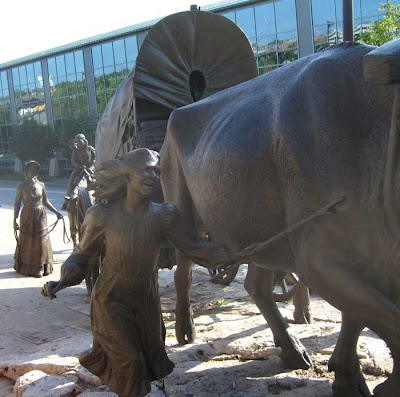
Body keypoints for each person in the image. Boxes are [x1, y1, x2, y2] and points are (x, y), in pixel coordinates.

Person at [42, 148, 242, 397]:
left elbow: (197, 248)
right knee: (132, 362)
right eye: (146, 169)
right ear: (127, 176)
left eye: (156, 172)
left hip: (146, 301)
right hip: (111, 298)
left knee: (144, 367)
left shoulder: (165, 215)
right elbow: (82, 256)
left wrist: (235, 255)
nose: (153, 176)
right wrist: (63, 280)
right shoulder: (102, 216)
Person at [13, 161, 63, 277]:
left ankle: (40, 266)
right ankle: (26, 266)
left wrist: (56, 212)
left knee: (41, 239)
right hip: (26, 215)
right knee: (27, 241)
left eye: (35, 170)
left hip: (40, 214)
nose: (32, 172)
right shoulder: (21, 186)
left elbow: (45, 200)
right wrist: (14, 220)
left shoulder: (41, 185)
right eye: (30, 169)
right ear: (26, 171)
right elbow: (16, 204)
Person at [62, 133, 95, 210]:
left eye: (80, 141)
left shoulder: (90, 148)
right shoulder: (76, 151)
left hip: (90, 168)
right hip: (79, 169)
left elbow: (95, 156)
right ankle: (68, 199)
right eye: (77, 142)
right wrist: (79, 166)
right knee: (72, 181)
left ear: (84, 140)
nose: (79, 143)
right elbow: (73, 161)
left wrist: (92, 162)